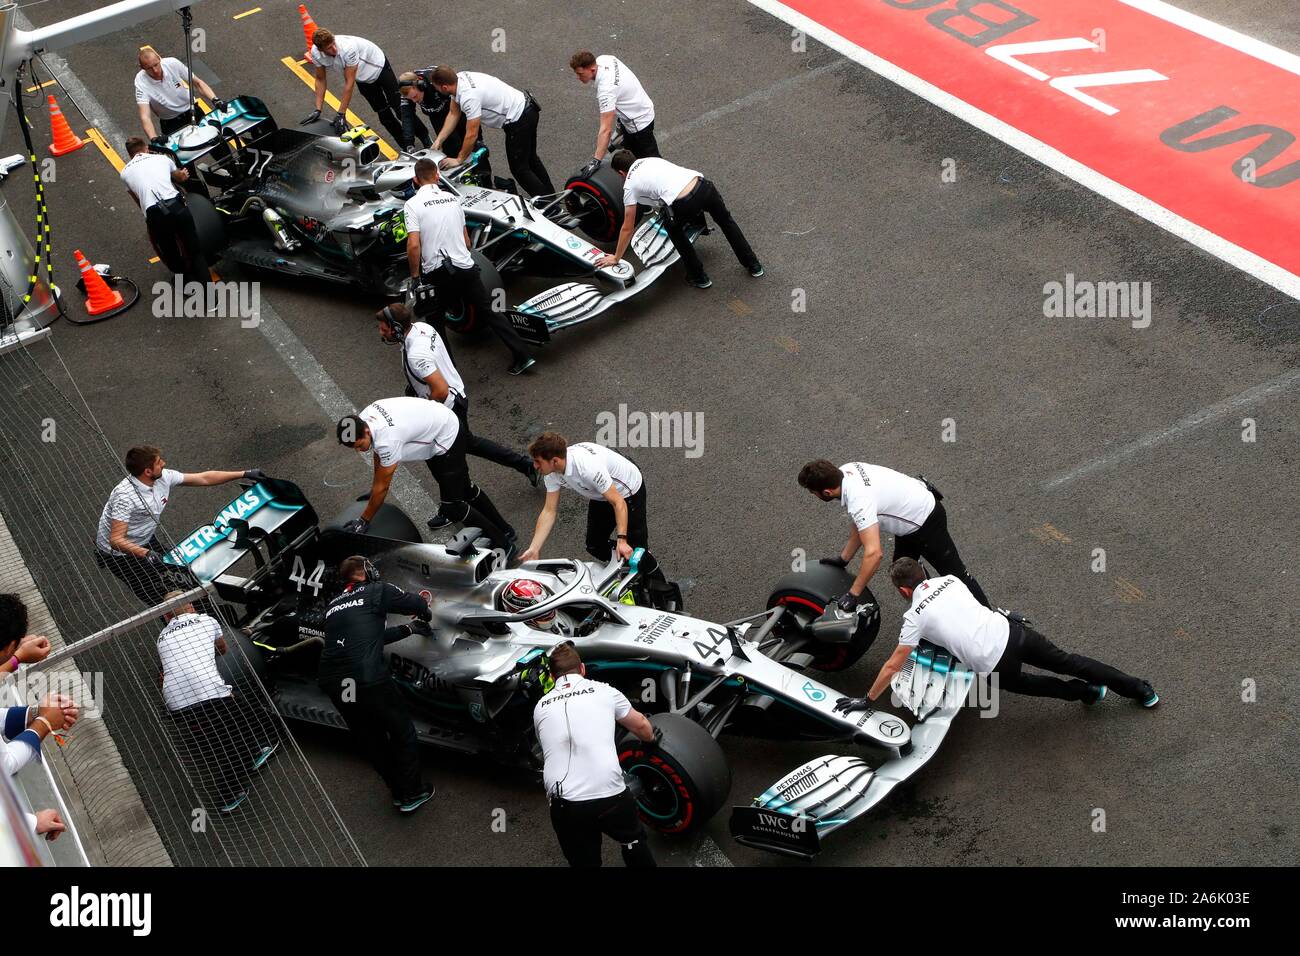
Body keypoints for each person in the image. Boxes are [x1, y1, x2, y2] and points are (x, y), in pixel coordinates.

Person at [836, 558, 1160, 709]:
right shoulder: (951, 580)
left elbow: (893, 665)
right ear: (925, 573)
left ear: (905, 591)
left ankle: (1085, 693)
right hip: (1013, 633)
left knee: (1031, 684)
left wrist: (867, 698)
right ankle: (1140, 689)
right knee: (1071, 660)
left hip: (993, 664)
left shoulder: (913, 618)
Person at [376, 303, 536, 525]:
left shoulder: (416, 356)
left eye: (384, 328)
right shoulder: (422, 327)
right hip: (457, 396)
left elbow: (439, 390)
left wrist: (424, 415)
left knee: (442, 459)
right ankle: (523, 464)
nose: (381, 332)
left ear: (397, 328)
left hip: (447, 408)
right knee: (465, 445)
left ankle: (454, 504)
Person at [318, 556, 435, 813]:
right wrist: (424, 614)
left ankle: (398, 792)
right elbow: (416, 602)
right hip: (366, 677)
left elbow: (366, 639)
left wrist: (409, 629)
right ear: (365, 573)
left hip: (335, 683)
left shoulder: (332, 605)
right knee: (401, 730)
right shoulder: (377, 589)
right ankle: (412, 792)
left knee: (370, 738)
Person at [797, 459, 990, 613]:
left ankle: (991, 623)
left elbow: (874, 554)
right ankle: (932, 612)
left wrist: (853, 594)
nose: (814, 495)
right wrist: (843, 558)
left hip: (926, 521)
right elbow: (860, 522)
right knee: (903, 574)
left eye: (813, 493)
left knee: (957, 575)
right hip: (910, 516)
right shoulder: (847, 470)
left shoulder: (859, 500)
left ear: (826, 492)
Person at [403, 158, 536, 375]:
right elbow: (466, 241)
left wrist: (415, 276)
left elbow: (413, 244)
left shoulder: (412, 205)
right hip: (466, 267)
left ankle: (449, 374)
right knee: (491, 311)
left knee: (435, 323)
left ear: (416, 180)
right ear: (437, 176)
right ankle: (523, 355)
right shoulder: (453, 199)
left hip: (438, 273)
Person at [336, 397, 517, 554]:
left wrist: (364, 520)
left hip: (446, 437)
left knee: (452, 507)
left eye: (360, 446)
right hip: (437, 426)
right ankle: (505, 529)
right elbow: (378, 458)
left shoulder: (387, 440)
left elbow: (383, 485)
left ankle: (504, 545)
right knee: (465, 489)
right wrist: (374, 488)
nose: (359, 451)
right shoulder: (365, 417)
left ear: (366, 431)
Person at [94, 445, 266, 606]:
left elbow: (204, 478)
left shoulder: (163, 477)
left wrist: (244, 473)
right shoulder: (125, 497)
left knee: (180, 577)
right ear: (147, 471)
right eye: (159, 462)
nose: (164, 463)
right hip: (120, 555)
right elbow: (116, 540)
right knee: (159, 598)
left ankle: (200, 609)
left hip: (144, 539)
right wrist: (146, 554)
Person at [533, 641, 657, 867]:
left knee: (584, 862)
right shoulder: (604, 690)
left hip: (566, 804)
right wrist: (651, 740)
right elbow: (641, 726)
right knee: (633, 840)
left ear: (552, 677)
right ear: (582, 669)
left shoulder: (541, 706)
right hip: (610, 796)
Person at [157, 594, 279, 813]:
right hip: (208, 693)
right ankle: (228, 794)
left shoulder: (162, 637)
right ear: (191, 607)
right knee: (235, 742)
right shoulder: (207, 620)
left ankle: (257, 748)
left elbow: (167, 671)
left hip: (174, 703)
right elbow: (222, 649)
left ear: (166, 616)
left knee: (241, 711)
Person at [519, 433, 669, 590]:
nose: (534, 466)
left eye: (538, 461)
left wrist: (622, 540)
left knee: (638, 554)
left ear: (554, 461)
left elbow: (619, 503)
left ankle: (665, 593)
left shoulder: (587, 467)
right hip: (602, 495)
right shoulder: (552, 473)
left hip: (628, 493)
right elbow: (549, 511)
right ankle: (627, 563)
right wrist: (534, 548)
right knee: (594, 545)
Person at [599, 150, 762, 289]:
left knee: (673, 229)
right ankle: (753, 264)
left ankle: (698, 276)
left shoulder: (629, 185)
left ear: (621, 173)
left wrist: (616, 257)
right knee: (727, 222)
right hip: (704, 186)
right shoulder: (651, 160)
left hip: (684, 203)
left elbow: (627, 227)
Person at [429, 67, 554, 198]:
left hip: (519, 119)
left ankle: (549, 207)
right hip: (527, 109)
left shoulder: (469, 97)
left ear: (444, 87)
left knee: (520, 169)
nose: (436, 89)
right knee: (530, 159)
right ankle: (552, 197)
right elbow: (454, 113)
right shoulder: (459, 78)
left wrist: (459, 159)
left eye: (436, 87)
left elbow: (472, 134)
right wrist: (439, 140)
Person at [120, 137, 210, 285]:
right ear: (146, 148)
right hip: (177, 206)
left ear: (130, 155)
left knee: (170, 252)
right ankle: (211, 296)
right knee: (196, 251)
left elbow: (138, 200)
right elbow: (180, 178)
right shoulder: (162, 158)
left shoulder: (124, 173)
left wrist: (149, 220)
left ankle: (185, 282)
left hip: (155, 214)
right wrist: (184, 174)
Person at [305, 29, 405, 144]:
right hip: (361, 77)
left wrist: (341, 114)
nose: (334, 49)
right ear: (320, 50)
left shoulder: (347, 48)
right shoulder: (316, 53)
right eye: (329, 48)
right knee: (384, 115)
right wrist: (318, 109)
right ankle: (406, 145)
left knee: (399, 108)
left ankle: (424, 137)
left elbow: (349, 82)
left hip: (378, 67)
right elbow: (320, 79)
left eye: (333, 44)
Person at [397, 68, 491, 180]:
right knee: (451, 151)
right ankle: (464, 180)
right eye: (410, 99)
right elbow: (407, 118)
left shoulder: (435, 81)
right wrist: (409, 144)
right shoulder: (406, 91)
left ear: (421, 86)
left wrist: (476, 136)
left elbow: (455, 89)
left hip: (458, 109)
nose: (414, 101)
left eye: (415, 97)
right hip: (437, 118)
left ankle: (486, 179)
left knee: (474, 145)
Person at [570, 51, 659, 160]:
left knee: (652, 161)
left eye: (580, 74)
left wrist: (596, 160)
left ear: (592, 70)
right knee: (629, 157)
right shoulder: (604, 59)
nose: (578, 77)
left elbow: (605, 130)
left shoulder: (606, 91)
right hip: (640, 106)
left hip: (639, 122)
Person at [134, 47, 221, 139]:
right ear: (142, 68)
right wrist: (154, 138)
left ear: (159, 59)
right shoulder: (140, 83)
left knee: (216, 141)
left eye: (156, 65)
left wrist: (215, 99)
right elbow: (145, 116)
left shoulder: (172, 63)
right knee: (184, 153)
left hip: (192, 110)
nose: (155, 70)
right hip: (171, 123)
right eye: (149, 68)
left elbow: (198, 83)